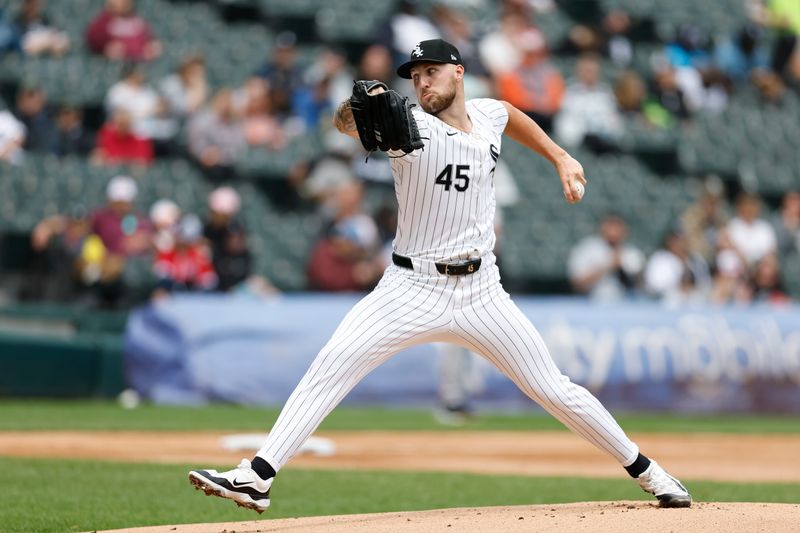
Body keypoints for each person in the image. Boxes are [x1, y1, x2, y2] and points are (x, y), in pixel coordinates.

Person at [188, 38, 691, 512]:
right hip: (410, 288)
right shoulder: (408, 127)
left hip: (481, 292)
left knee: (554, 389)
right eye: (415, 76)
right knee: (334, 362)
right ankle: (257, 476)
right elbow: (348, 122)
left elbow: (511, 115)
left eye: (431, 72)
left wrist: (559, 156)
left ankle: (652, 474)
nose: (423, 82)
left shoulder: (487, 114)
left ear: (458, 71)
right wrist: (361, 106)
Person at [567, 213, 645, 301]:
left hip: (624, 305)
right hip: (591, 304)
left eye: (617, 226)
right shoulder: (587, 249)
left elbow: (642, 287)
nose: (613, 231)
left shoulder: (632, 253)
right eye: (610, 226)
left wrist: (626, 271)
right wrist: (609, 266)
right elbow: (577, 284)